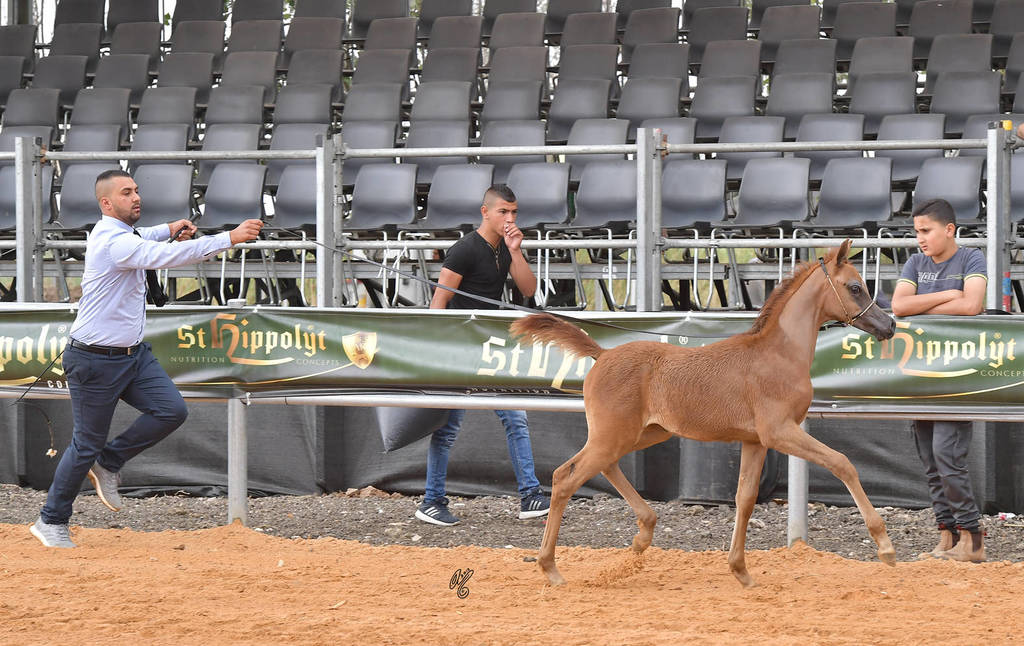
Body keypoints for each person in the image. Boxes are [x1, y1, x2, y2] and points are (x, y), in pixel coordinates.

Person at [30, 169, 263, 548]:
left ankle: (108, 462)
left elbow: (147, 237)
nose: (136, 197)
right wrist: (229, 238)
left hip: (132, 355)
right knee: (84, 445)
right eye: (126, 193)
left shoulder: (123, 234)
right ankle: (51, 520)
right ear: (107, 203)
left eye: (136, 190)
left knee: (171, 411)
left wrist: (168, 226)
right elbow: (164, 257)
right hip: (94, 361)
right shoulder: (114, 242)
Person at [415, 184, 550, 526]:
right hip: (460, 349)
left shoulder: (505, 248)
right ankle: (431, 500)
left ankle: (530, 495)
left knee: (515, 418)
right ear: (485, 212)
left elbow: (528, 290)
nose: (510, 218)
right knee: (448, 427)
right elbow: (439, 302)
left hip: (490, 347)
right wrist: (440, 349)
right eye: (503, 211)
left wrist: (516, 251)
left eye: (514, 212)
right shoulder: (464, 249)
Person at [891, 198, 987, 562]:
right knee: (930, 459)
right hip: (920, 374)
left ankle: (973, 537)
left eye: (926, 231)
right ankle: (946, 536)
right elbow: (899, 307)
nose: (919, 239)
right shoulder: (916, 262)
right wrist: (949, 293)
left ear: (949, 229)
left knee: (947, 455)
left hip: (956, 374)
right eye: (916, 232)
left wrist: (924, 301)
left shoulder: (972, 258)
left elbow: (972, 306)